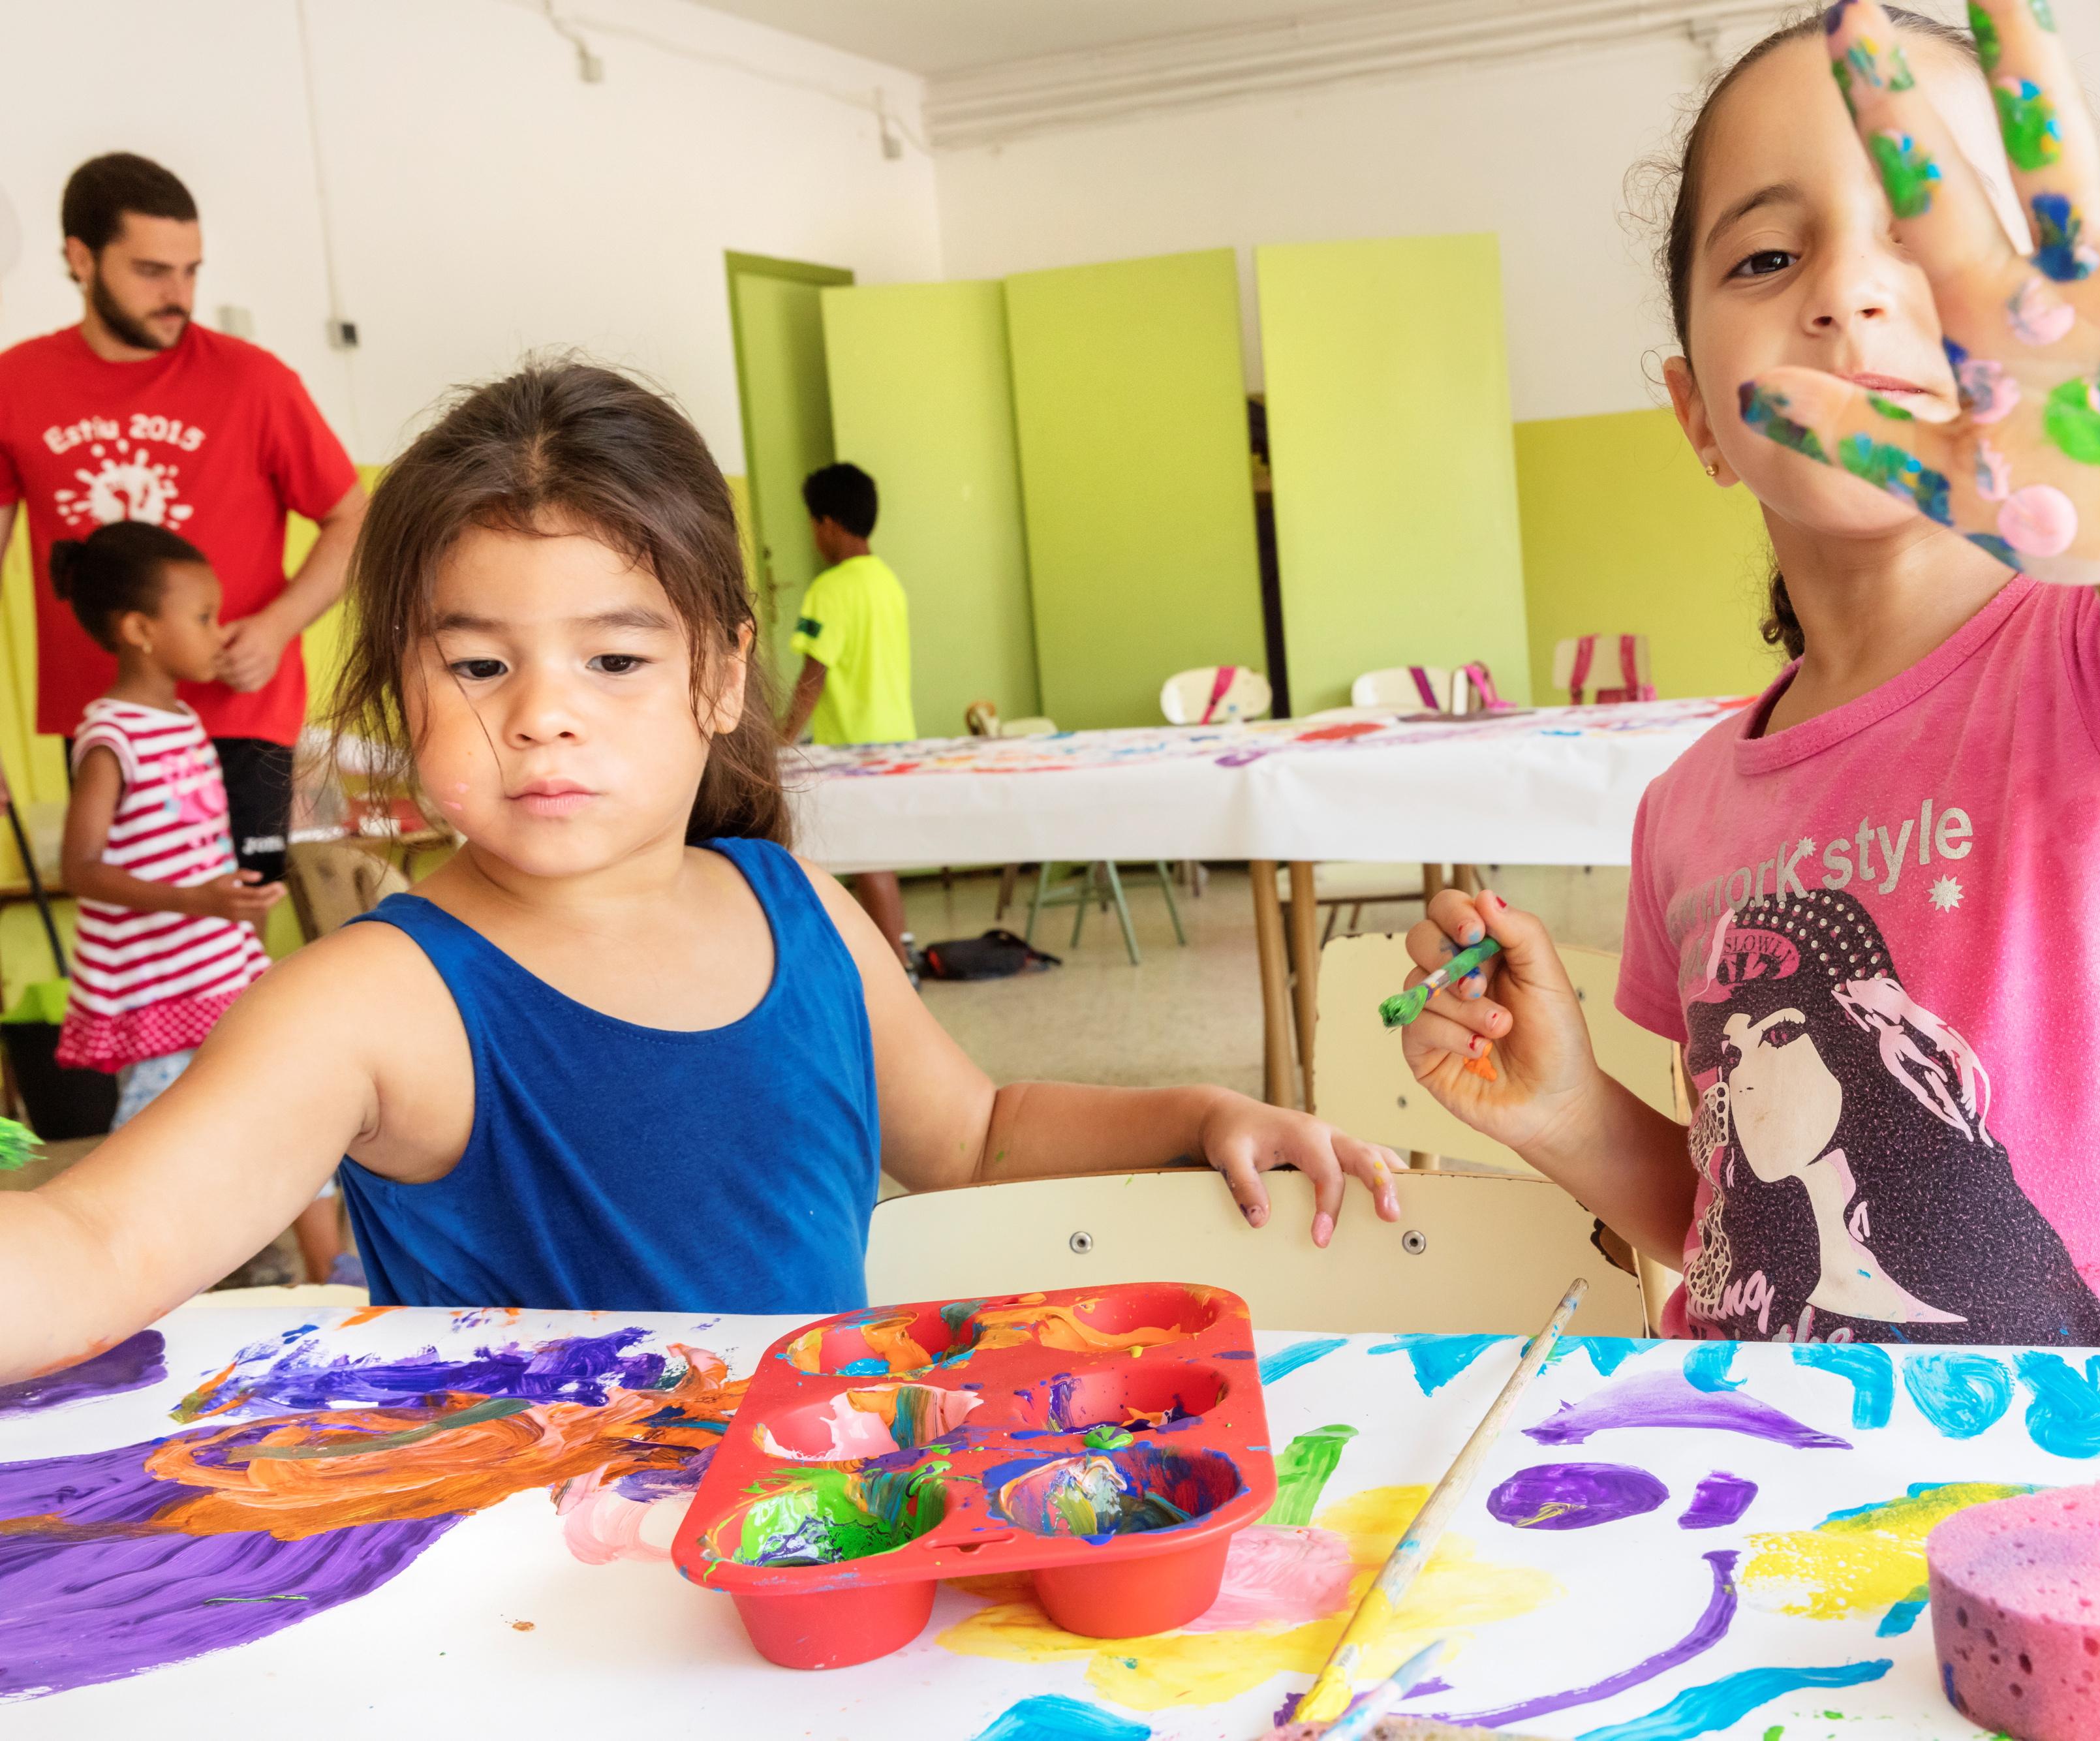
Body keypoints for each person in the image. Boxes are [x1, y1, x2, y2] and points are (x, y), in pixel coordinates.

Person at [1397, 0, 2100, 1350]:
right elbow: (1740, 1213)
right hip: (1794, 1508)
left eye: (1933, 241)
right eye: (1763, 254)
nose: (1846, 290)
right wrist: (1567, 1110)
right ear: (1698, 413)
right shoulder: (1686, 808)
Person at [0, 362, 1400, 1382]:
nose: (542, 711)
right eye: (478, 662)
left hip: (828, 1534)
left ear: (722, 669)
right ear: (398, 686)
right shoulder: (370, 1002)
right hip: (545, 1588)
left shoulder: (798, 910)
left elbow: (974, 1134)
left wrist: (1199, 1106)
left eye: (614, 659)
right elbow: (96, 1247)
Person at [0, 152, 365, 886]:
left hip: (241, 708)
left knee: (236, 927)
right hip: (106, 720)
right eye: (152, 271)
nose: (180, 295)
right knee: (135, 934)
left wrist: (277, 624)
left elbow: (352, 516)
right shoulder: (15, 384)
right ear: (81, 258)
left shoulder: (255, 381)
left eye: (191, 270)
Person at [45, 522, 340, 1283]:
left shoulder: (183, 723)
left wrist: (230, 898)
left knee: (295, 1109)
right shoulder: (113, 735)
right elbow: (80, 868)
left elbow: (196, 849)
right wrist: (201, 899)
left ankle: (331, 1275)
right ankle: (130, 1288)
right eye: (203, 616)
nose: (221, 632)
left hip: (223, 968)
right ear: (141, 631)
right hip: (160, 989)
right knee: (159, 1145)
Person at [779, 461, 913, 966]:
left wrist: (783, 736)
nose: (814, 536)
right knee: (877, 856)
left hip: (853, 746)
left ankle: (895, 967)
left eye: (813, 525)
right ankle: (900, 954)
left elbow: (814, 675)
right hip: (898, 737)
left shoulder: (829, 589)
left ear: (828, 524)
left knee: (867, 857)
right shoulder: (887, 582)